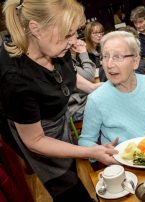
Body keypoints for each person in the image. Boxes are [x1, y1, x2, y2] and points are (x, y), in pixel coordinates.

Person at [0, 0, 119, 201]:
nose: (74, 41)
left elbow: (66, 76)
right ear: (35, 29)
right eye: (67, 35)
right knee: (66, 186)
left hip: (56, 119)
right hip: (38, 134)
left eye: (75, 33)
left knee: (72, 167)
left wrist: (91, 88)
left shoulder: (52, 47)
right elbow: (35, 140)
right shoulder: (15, 78)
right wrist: (88, 151)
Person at [78, 31, 145, 146]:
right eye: (105, 57)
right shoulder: (96, 99)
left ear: (135, 61)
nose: (109, 64)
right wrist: (100, 151)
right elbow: (85, 141)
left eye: (117, 57)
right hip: (121, 161)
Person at [68, 39, 96, 121]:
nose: (77, 40)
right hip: (76, 110)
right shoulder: (60, 61)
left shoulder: (66, 60)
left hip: (79, 105)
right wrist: (83, 52)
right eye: (72, 35)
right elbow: (89, 76)